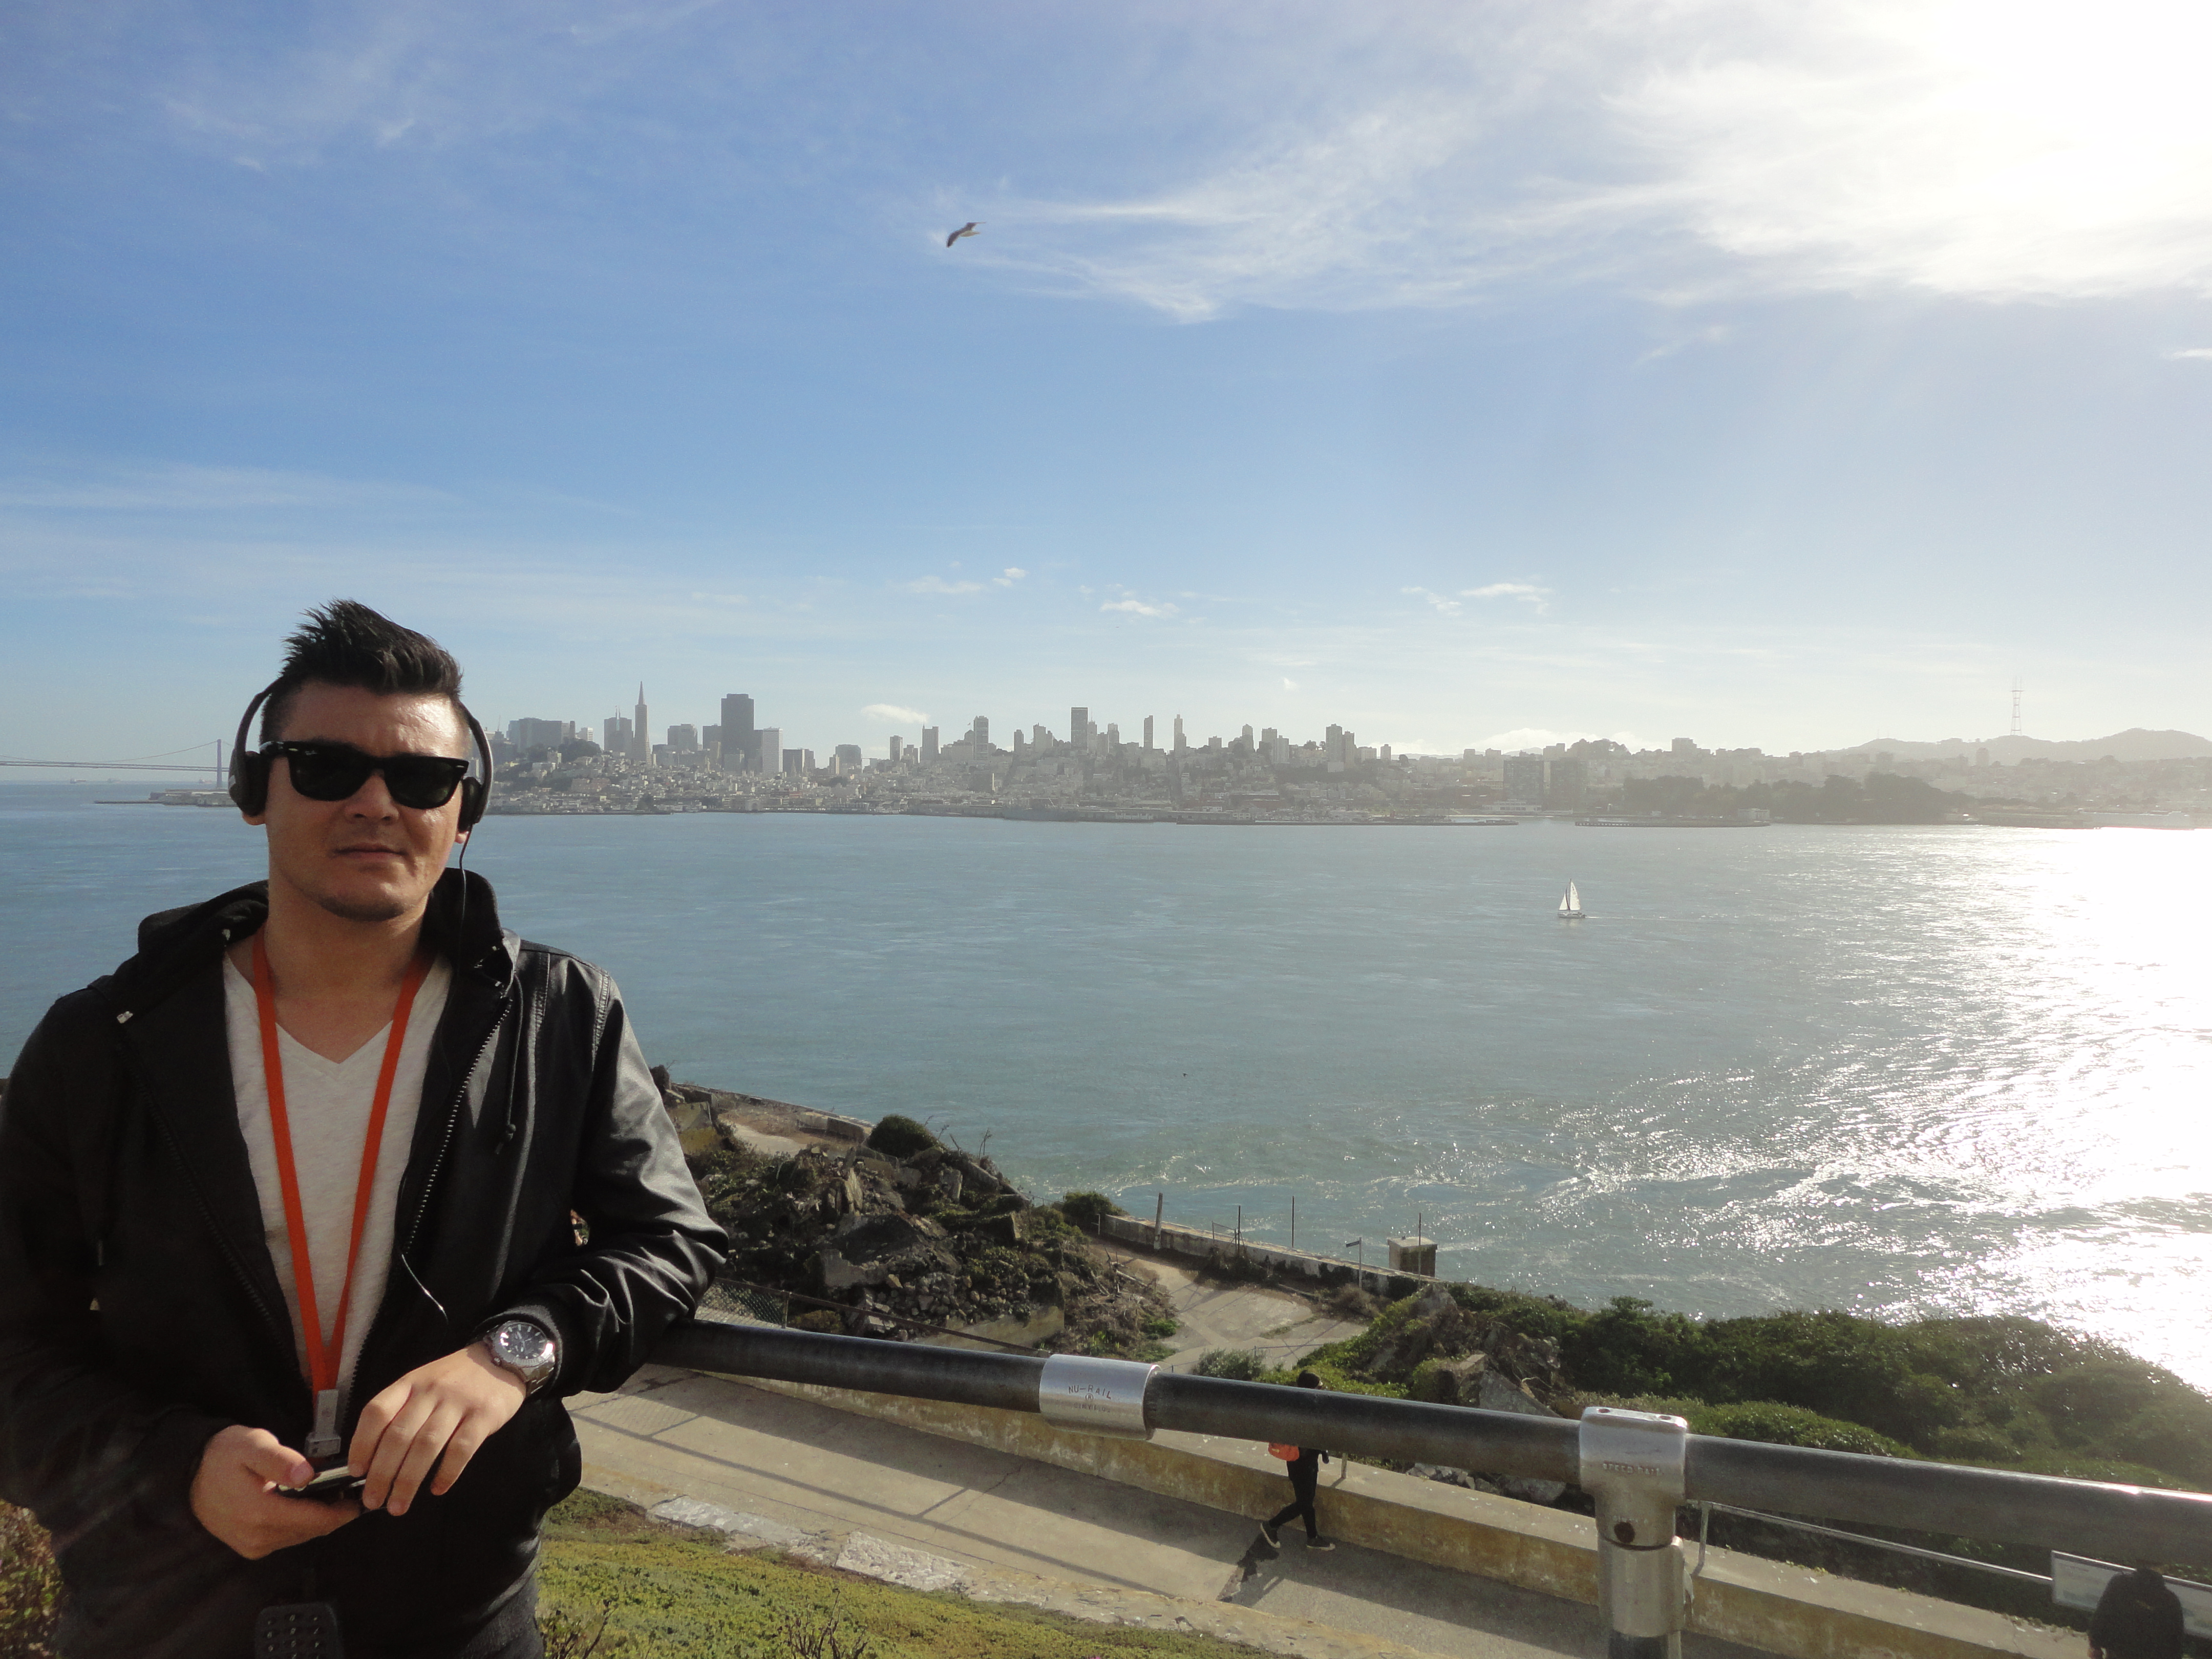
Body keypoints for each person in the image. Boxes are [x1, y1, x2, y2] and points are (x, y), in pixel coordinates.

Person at [0, 602, 727, 1658]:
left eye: (423, 779)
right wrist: (172, 1469)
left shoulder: (561, 1016)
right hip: (158, 1614)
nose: (377, 803)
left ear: (464, 812)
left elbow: (669, 1242)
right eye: (327, 767)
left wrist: (515, 1353)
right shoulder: (102, 1042)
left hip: (456, 1613)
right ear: (256, 791)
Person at [1260, 1370, 1336, 1552]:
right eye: (1319, 1388)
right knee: (1304, 1503)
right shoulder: (1305, 1408)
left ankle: (1312, 1537)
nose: (1321, 1390)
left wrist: (1322, 1450)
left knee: (1307, 1500)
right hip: (1302, 1462)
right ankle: (1271, 1525)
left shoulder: (1297, 1403)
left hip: (1302, 1461)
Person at [2089, 1565, 2185, 1659]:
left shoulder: (2120, 1584)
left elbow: (2102, 1616)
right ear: (2164, 1568)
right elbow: (2175, 1640)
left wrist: (2095, 1645)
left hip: (2117, 1651)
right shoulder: (2170, 1600)